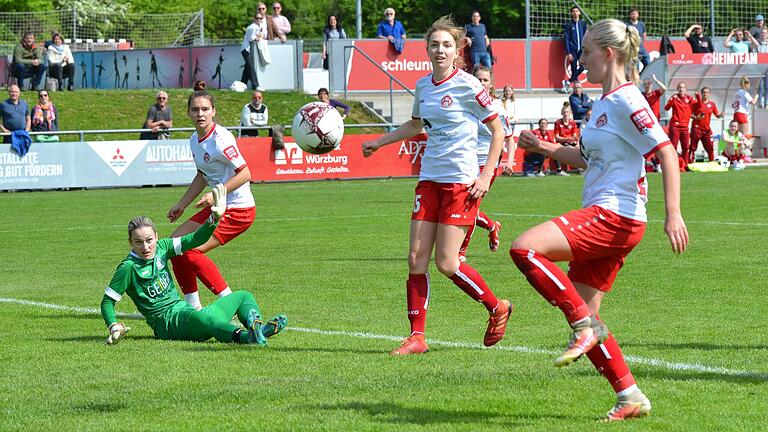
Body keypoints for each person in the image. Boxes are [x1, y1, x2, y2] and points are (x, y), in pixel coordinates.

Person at [513, 18, 688, 421]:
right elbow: (586, 158)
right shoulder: (604, 104)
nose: (580, 58)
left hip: (615, 215)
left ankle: (582, 327)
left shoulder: (628, 100)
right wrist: (546, 147)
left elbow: (666, 153)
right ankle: (629, 395)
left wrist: (673, 214)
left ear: (608, 55)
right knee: (588, 311)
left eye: (587, 51)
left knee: (525, 248)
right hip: (611, 214)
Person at [361, 16, 512, 356]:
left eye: (447, 45)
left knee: (447, 263)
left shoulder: (469, 85)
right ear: (427, 49)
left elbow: (498, 130)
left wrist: (485, 174)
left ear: (457, 50)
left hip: (461, 183)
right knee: (416, 258)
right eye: (434, 44)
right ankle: (417, 337)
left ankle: (497, 307)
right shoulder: (423, 85)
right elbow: (416, 124)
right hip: (429, 180)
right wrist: (380, 142)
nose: (440, 50)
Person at [100, 186, 288, 347]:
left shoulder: (163, 247)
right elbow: (107, 302)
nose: (146, 247)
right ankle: (249, 337)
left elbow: (196, 239)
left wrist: (214, 218)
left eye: (149, 240)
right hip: (166, 323)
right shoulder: (128, 267)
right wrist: (113, 325)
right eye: (138, 242)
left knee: (242, 296)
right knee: (207, 319)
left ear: (156, 236)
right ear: (130, 243)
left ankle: (258, 329)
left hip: (183, 310)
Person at [167, 90, 256, 311]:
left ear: (213, 112)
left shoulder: (222, 139)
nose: (200, 114)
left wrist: (217, 193)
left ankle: (231, 303)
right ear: (188, 113)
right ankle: (193, 309)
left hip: (238, 209)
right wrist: (182, 204)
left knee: (190, 250)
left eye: (205, 109)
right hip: (218, 205)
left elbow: (245, 174)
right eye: (195, 109)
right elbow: (202, 175)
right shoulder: (194, 141)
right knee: (175, 244)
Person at [457, 65, 513, 262]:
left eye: (485, 80)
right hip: (465, 161)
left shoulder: (497, 107)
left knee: (468, 205)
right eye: (478, 79)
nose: (481, 83)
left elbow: (508, 137)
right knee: (464, 205)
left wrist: (510, 161)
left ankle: (460, 252)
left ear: (491, 84)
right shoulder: (468, 102)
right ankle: (492, 226)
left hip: (486, 164)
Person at [664, 82, 694, 169]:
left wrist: (698, 98)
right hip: (675, 127)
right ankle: (672, 165)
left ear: (685, 89)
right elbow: (666, 108)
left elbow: (696, 106)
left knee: (686, 147)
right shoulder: (674, 97)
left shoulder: (689, 98)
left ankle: (685, 165)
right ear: (677, 89)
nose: (681, 89)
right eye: (680, 87)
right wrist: (672, 99)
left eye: (683, 87)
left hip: (685, 127)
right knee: (673, 147)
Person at [690, 87, 722, 162]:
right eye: (704, 92)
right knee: (693, 147)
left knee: (710, 147)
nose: (705, 94)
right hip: (696, 129)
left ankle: (711, 162)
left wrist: (721, 115)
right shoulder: (696, 103)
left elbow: (717, 115)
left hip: (706, 130)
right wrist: (696, 117)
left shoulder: (712, 104)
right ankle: (689, 162)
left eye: (707, 92)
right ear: (701, 94)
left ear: (709, 94)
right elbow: (689, 114)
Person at [563, 6, 587, 93]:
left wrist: (586, 48)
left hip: (581, 50)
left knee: (583, 66)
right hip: (572, 50)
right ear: (571, 13)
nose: (575, 13)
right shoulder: (569, 25)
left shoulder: (583, 23)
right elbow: (566, 38)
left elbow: (586, 36)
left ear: (579, 13)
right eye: (573, 11)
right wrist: (568, 52)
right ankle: (576, 90)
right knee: (573, 69)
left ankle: (568, 82)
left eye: (577, 11)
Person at [552, 103, 579, 176]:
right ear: (561, 113)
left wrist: (571, 139)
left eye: (567, 112)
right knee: (556, 148)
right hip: (561, 142)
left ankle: (581, 168)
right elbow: (557, 137)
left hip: (570, 142)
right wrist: (567, 139)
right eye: (564, 112)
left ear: (570, 113)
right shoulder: (558, 122)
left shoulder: (573, 122)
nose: (565, 114)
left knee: (579, 148)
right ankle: (559, 170)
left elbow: (574, 136)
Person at [241, 13, 266, 91]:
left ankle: (242, 84)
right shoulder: (252, 27)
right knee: (251, 68)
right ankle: (256, 85)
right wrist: (257, 38)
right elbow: (250, 38)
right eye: (257, 18)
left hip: (247, 49)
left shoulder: (258, 27)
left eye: (260, 18)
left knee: (247, 69)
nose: (258, 20)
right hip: (247, 49)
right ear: (254, 19)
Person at [757, 29, 768, 108]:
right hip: (759, 68)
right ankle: (759, 103)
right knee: (760, 87)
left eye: (765, 33)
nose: (763, 34)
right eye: (762, 33)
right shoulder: (757, 43)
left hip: (767, 67)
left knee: (767, 87)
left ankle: (766, 103)